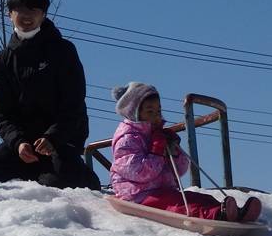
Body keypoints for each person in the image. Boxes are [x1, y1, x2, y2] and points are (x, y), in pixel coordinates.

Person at [0, 0, 101, 190]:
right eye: (21, 11)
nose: (27, 17)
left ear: (43, 15)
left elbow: (74, 103)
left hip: (61, 139)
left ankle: (84, 177)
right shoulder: (3, 59)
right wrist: (18, 142)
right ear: (9, 14)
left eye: (34, 11)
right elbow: (1, 111)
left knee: (57, 186)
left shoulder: (63, 50)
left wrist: (53, 138)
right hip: (22, 143)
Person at [110, 81, 262, 222]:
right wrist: (157, 150)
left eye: (159, 111)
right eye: (150, 111)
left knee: (196, 198)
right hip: (139, 195)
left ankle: (235, 211)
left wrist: (174, 150)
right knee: (178, 206)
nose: (157, 116)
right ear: (134, 113)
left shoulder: (157, 134)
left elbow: (180, 170)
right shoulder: (128, 138)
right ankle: (218, 214)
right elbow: (138, 172)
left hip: (163, 190)